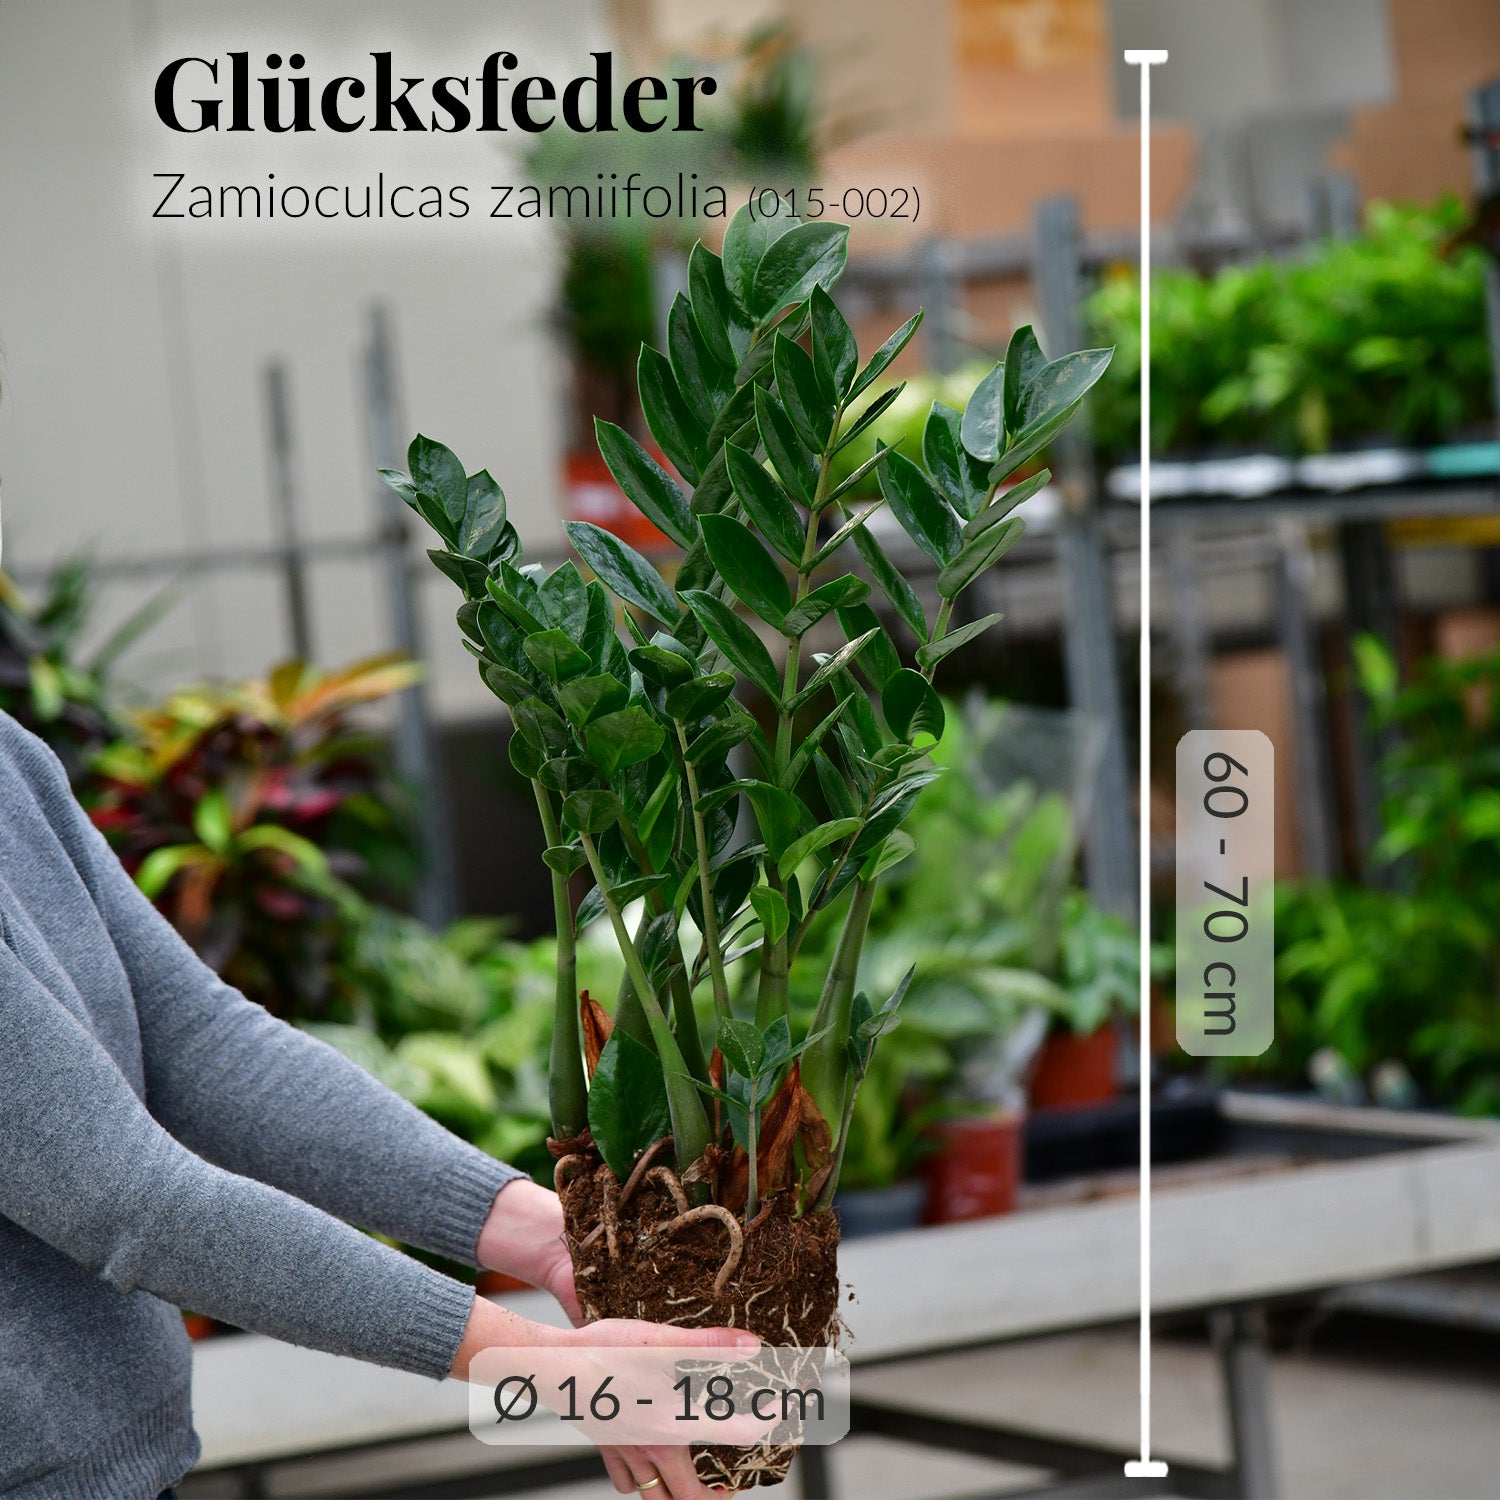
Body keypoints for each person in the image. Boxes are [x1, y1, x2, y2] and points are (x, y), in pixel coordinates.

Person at [0, 455, 741, 1499]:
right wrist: (541, 1364)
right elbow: (127, 1198)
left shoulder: (7, 763)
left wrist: (547, 1233)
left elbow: (197, 1043)